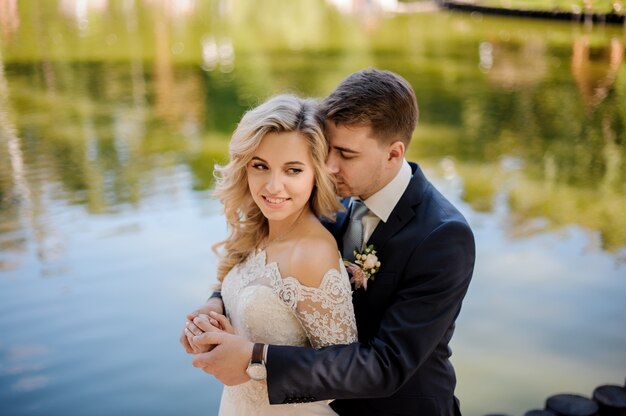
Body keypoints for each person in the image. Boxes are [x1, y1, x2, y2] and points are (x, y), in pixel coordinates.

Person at [182, 69, 476, 416]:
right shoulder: (325, 201)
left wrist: (254, 358)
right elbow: (264, 270)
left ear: (394, 154)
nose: (329, 166)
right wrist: (216, 304)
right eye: (327, 149)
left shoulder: (442, 236)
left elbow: (386, 365)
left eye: (346, 154)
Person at [183, 94, 358, 415]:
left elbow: (342, 374)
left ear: (316, 174)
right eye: (260, 166)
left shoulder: (314, 253)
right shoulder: (259, 228)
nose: (273, 186)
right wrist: (212, 311)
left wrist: (252, 365)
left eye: (293, 170)